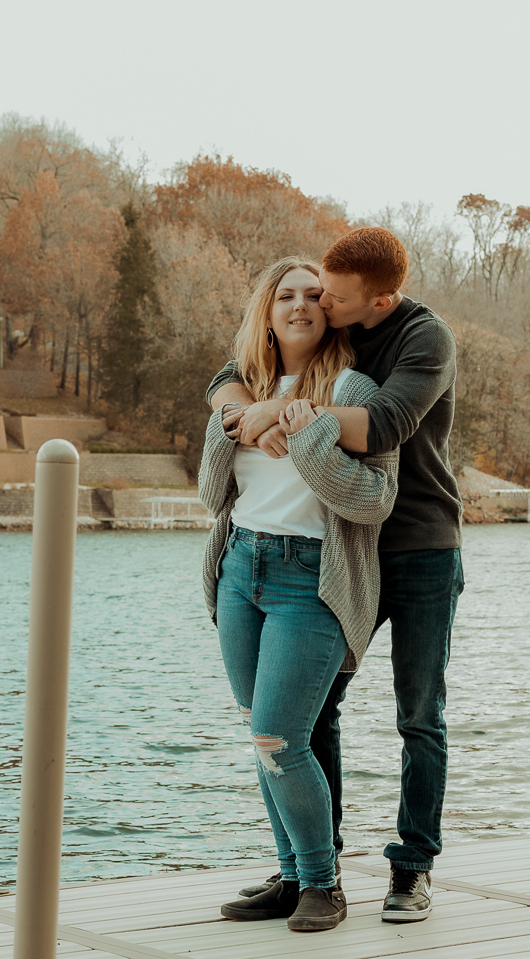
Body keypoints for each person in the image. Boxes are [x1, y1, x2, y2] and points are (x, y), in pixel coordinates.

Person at [208, 227, 461, 923]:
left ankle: (411, 867)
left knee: (418, 715)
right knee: (303, 716)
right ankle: (312, 870)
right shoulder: (323, 334)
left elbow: (382, 425)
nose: (316, 301)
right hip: (341, 552)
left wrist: (281, 416)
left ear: (377, 300)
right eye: (308, 290)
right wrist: (238, 408)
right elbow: (229, 375)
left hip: (416, 547)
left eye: (330, 296)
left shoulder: (420, 340)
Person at [198, 256, 399, 933]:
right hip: (240, 571)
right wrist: (242, 418)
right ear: (267, 309)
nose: (301, 304)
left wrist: (304, 431)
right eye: (286, 294)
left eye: (315, 295)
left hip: (309, 579)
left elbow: (374, 500)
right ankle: (289, 877)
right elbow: (209, 494)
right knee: (264, 738)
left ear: (332, 309)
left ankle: (323, 882)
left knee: (281, 735)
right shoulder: (240, 388)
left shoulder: (357, 390)